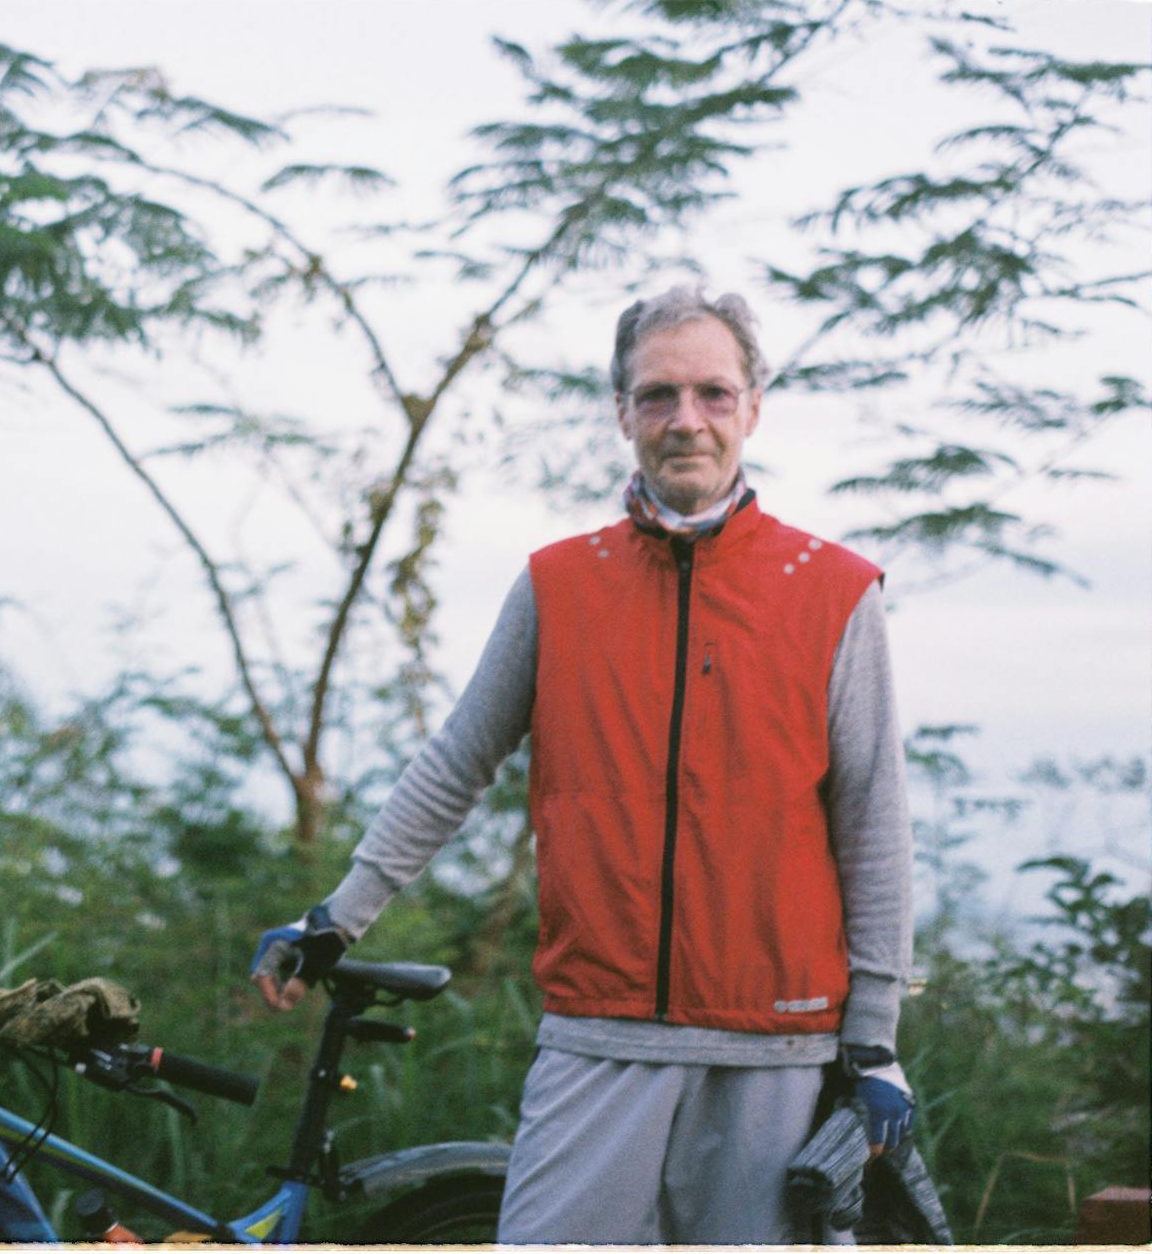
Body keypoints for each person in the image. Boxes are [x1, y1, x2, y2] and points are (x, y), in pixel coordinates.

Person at [251, 286, 916, 1245]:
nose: (686, 420)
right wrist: (338, 917)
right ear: (622, 413)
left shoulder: (836, 592)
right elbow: (455, 764)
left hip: (779, 1045)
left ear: (753, 407)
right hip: (598, 1036)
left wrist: (875, 1038)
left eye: (713, 394)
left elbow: (873, 821)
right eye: (657, 395)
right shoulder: (558, 584)